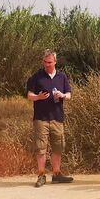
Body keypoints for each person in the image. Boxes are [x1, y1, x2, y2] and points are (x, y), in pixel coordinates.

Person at [26, 50, 74, 187]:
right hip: (41, 118)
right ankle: (41, 175)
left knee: (58, 146)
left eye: (50, 62)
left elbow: (69, 94)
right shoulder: (37, 76)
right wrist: (38, 97)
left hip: (57, 117)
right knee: (41, 148)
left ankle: (57, 174)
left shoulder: (62, 77)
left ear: (55, 62)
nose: (47, 65)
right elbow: (29, 95)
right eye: (45, 62)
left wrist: (63, 95)